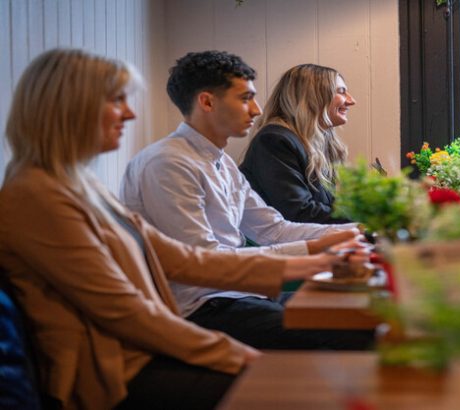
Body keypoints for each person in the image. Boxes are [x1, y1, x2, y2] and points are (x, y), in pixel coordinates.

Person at [0, 48, 353, 409]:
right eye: (116, 100)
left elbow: (184, 260)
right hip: (116, 374)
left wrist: (316, 260)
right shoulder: (36, 196)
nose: (130, 112)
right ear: (67, 107)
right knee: (313, 378)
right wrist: (239, 356)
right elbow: (127, 313)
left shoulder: (81, 186)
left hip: (149, 347)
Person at [120, 51, 369, 351]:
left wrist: (358, 231)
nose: (257, 109)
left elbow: (273, 229)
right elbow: (204, 264)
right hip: (202, 309)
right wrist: (316, 251)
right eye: (245, 98)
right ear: (207, 102)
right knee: (356, 330)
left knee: (364, 313)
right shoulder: (168, 164)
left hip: (241, 296)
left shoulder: (220, 162)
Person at [239, 63, 355, 224]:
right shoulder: (274, 140)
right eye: (341, 92)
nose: (351, 101)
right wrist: (370, 217)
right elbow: (298, 212)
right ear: (313, 96)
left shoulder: (317, 143)